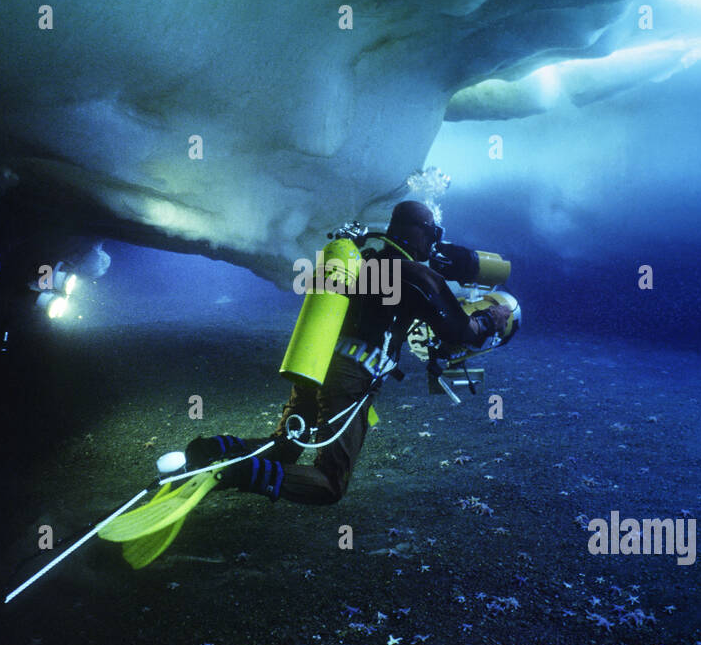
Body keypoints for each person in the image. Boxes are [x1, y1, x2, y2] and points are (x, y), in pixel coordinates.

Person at [184, 201, 512, 505]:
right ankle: (231, 472)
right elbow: (459, 332)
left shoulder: (363, 262)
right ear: (417, 231)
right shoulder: (418, 277)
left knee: (285, 447)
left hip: (317, 360)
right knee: (330, 484)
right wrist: (489, 318)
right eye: (433, 232)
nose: (435, 242)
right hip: (351, 377)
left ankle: (212, 448)